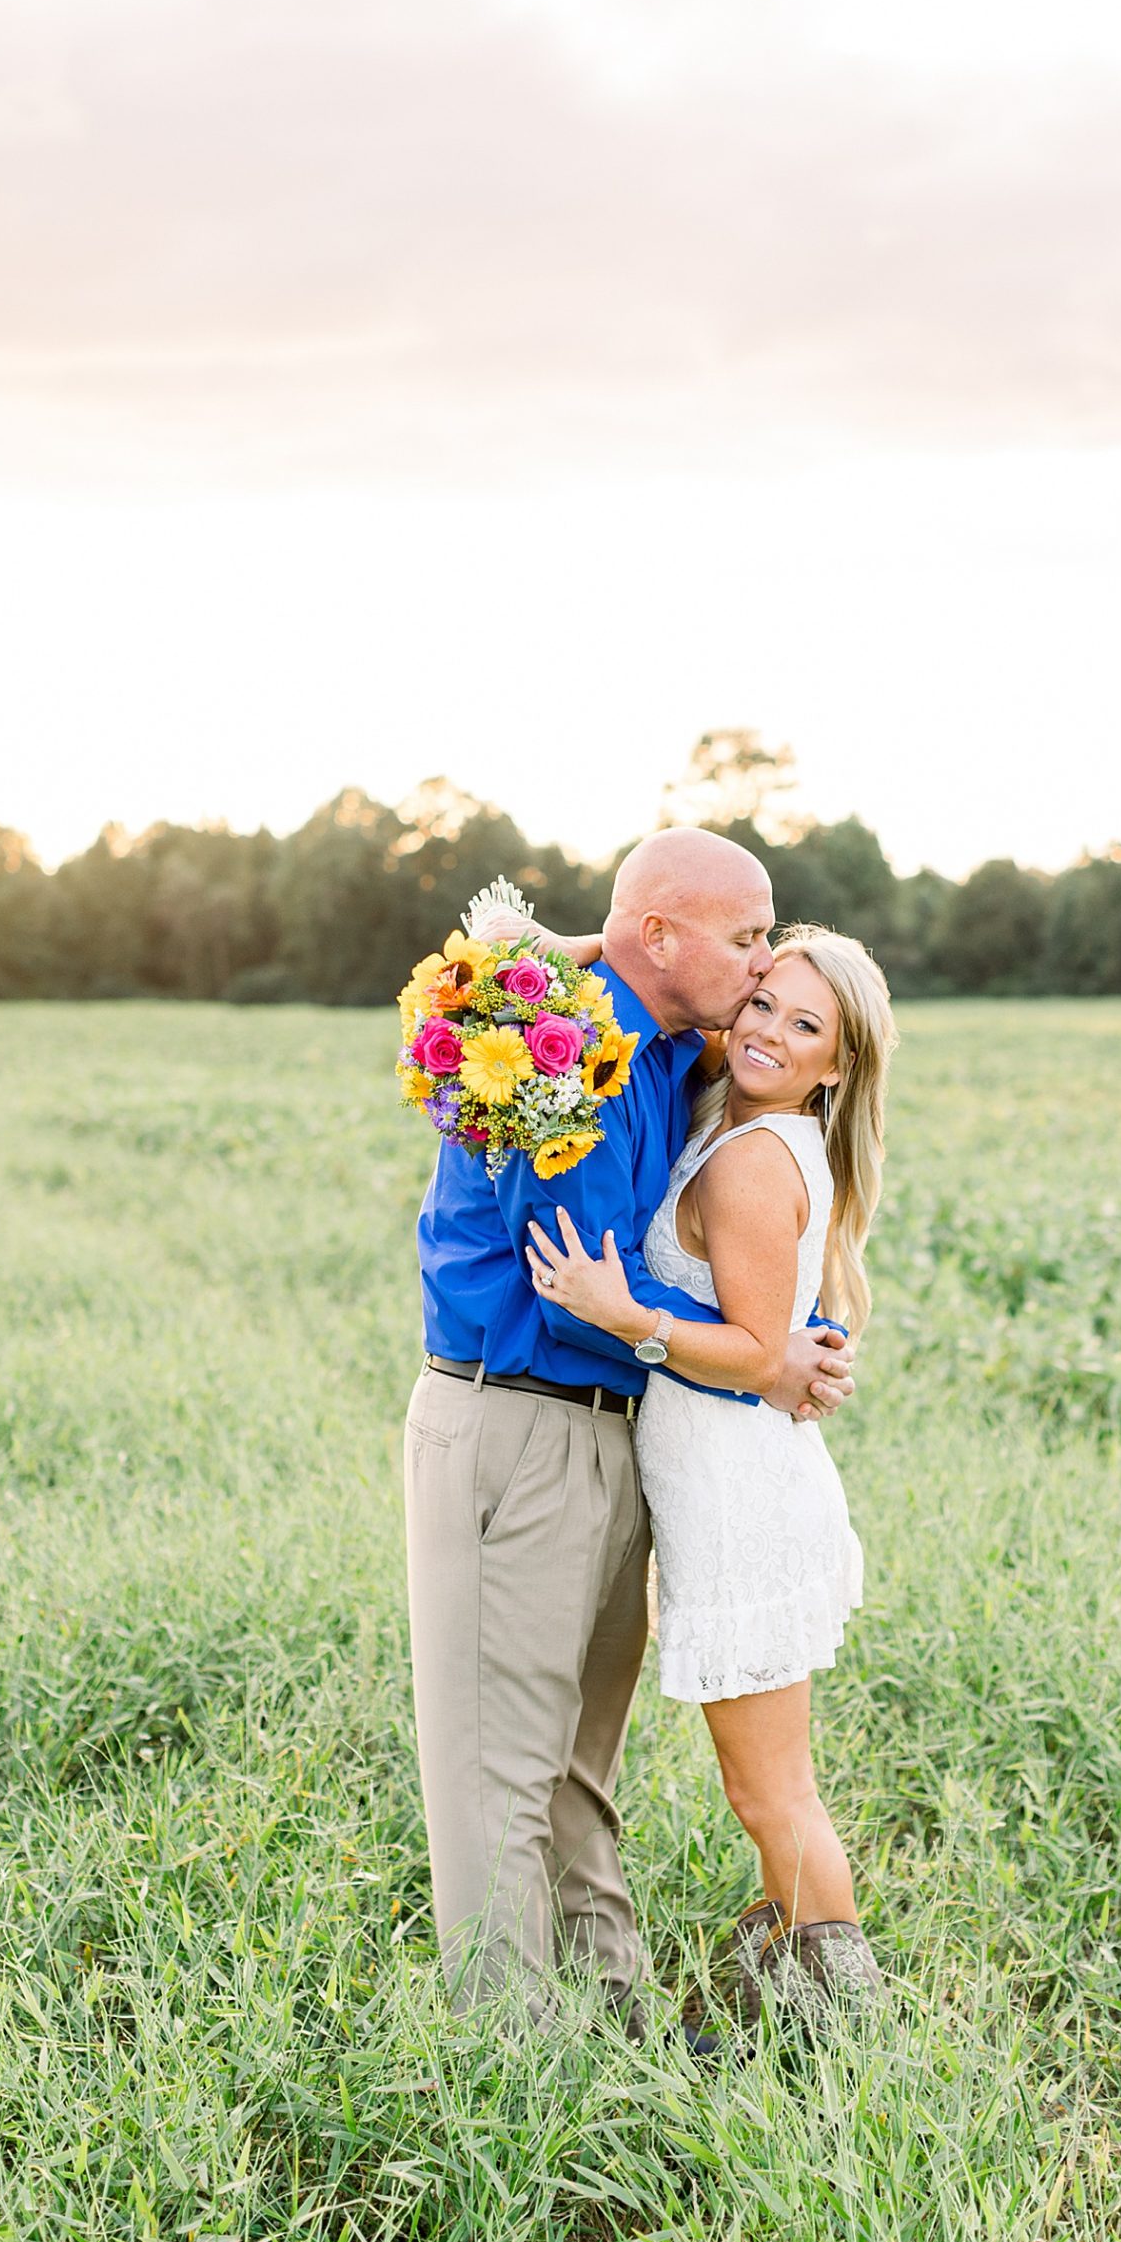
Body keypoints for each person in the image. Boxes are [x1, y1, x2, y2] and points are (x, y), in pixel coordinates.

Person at [403, 830, 857, 2031]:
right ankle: (512, 2061)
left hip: (620, 1433)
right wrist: (763, 1356)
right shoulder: (550, 1055)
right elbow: (585, 1284)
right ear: (659, 936)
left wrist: (779, 1337)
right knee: (499, 1772)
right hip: (516, 1420)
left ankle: (614, 2023)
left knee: (575, 1768)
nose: (760, 964)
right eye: (746, 936)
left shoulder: (664, 1044)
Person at [523, 926, 897, 2024]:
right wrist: (579, 940)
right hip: (733, 1486)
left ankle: (854, 2031)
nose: (768, 1032)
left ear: (838, 1063)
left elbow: (751, 1349)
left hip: (742, 1501)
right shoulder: (732, 1120)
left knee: (772, 1795)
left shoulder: (750, 1160)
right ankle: (787, 2002)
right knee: (764, 1789)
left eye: (805, 1025)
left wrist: (626, 1316)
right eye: (764, 1001)